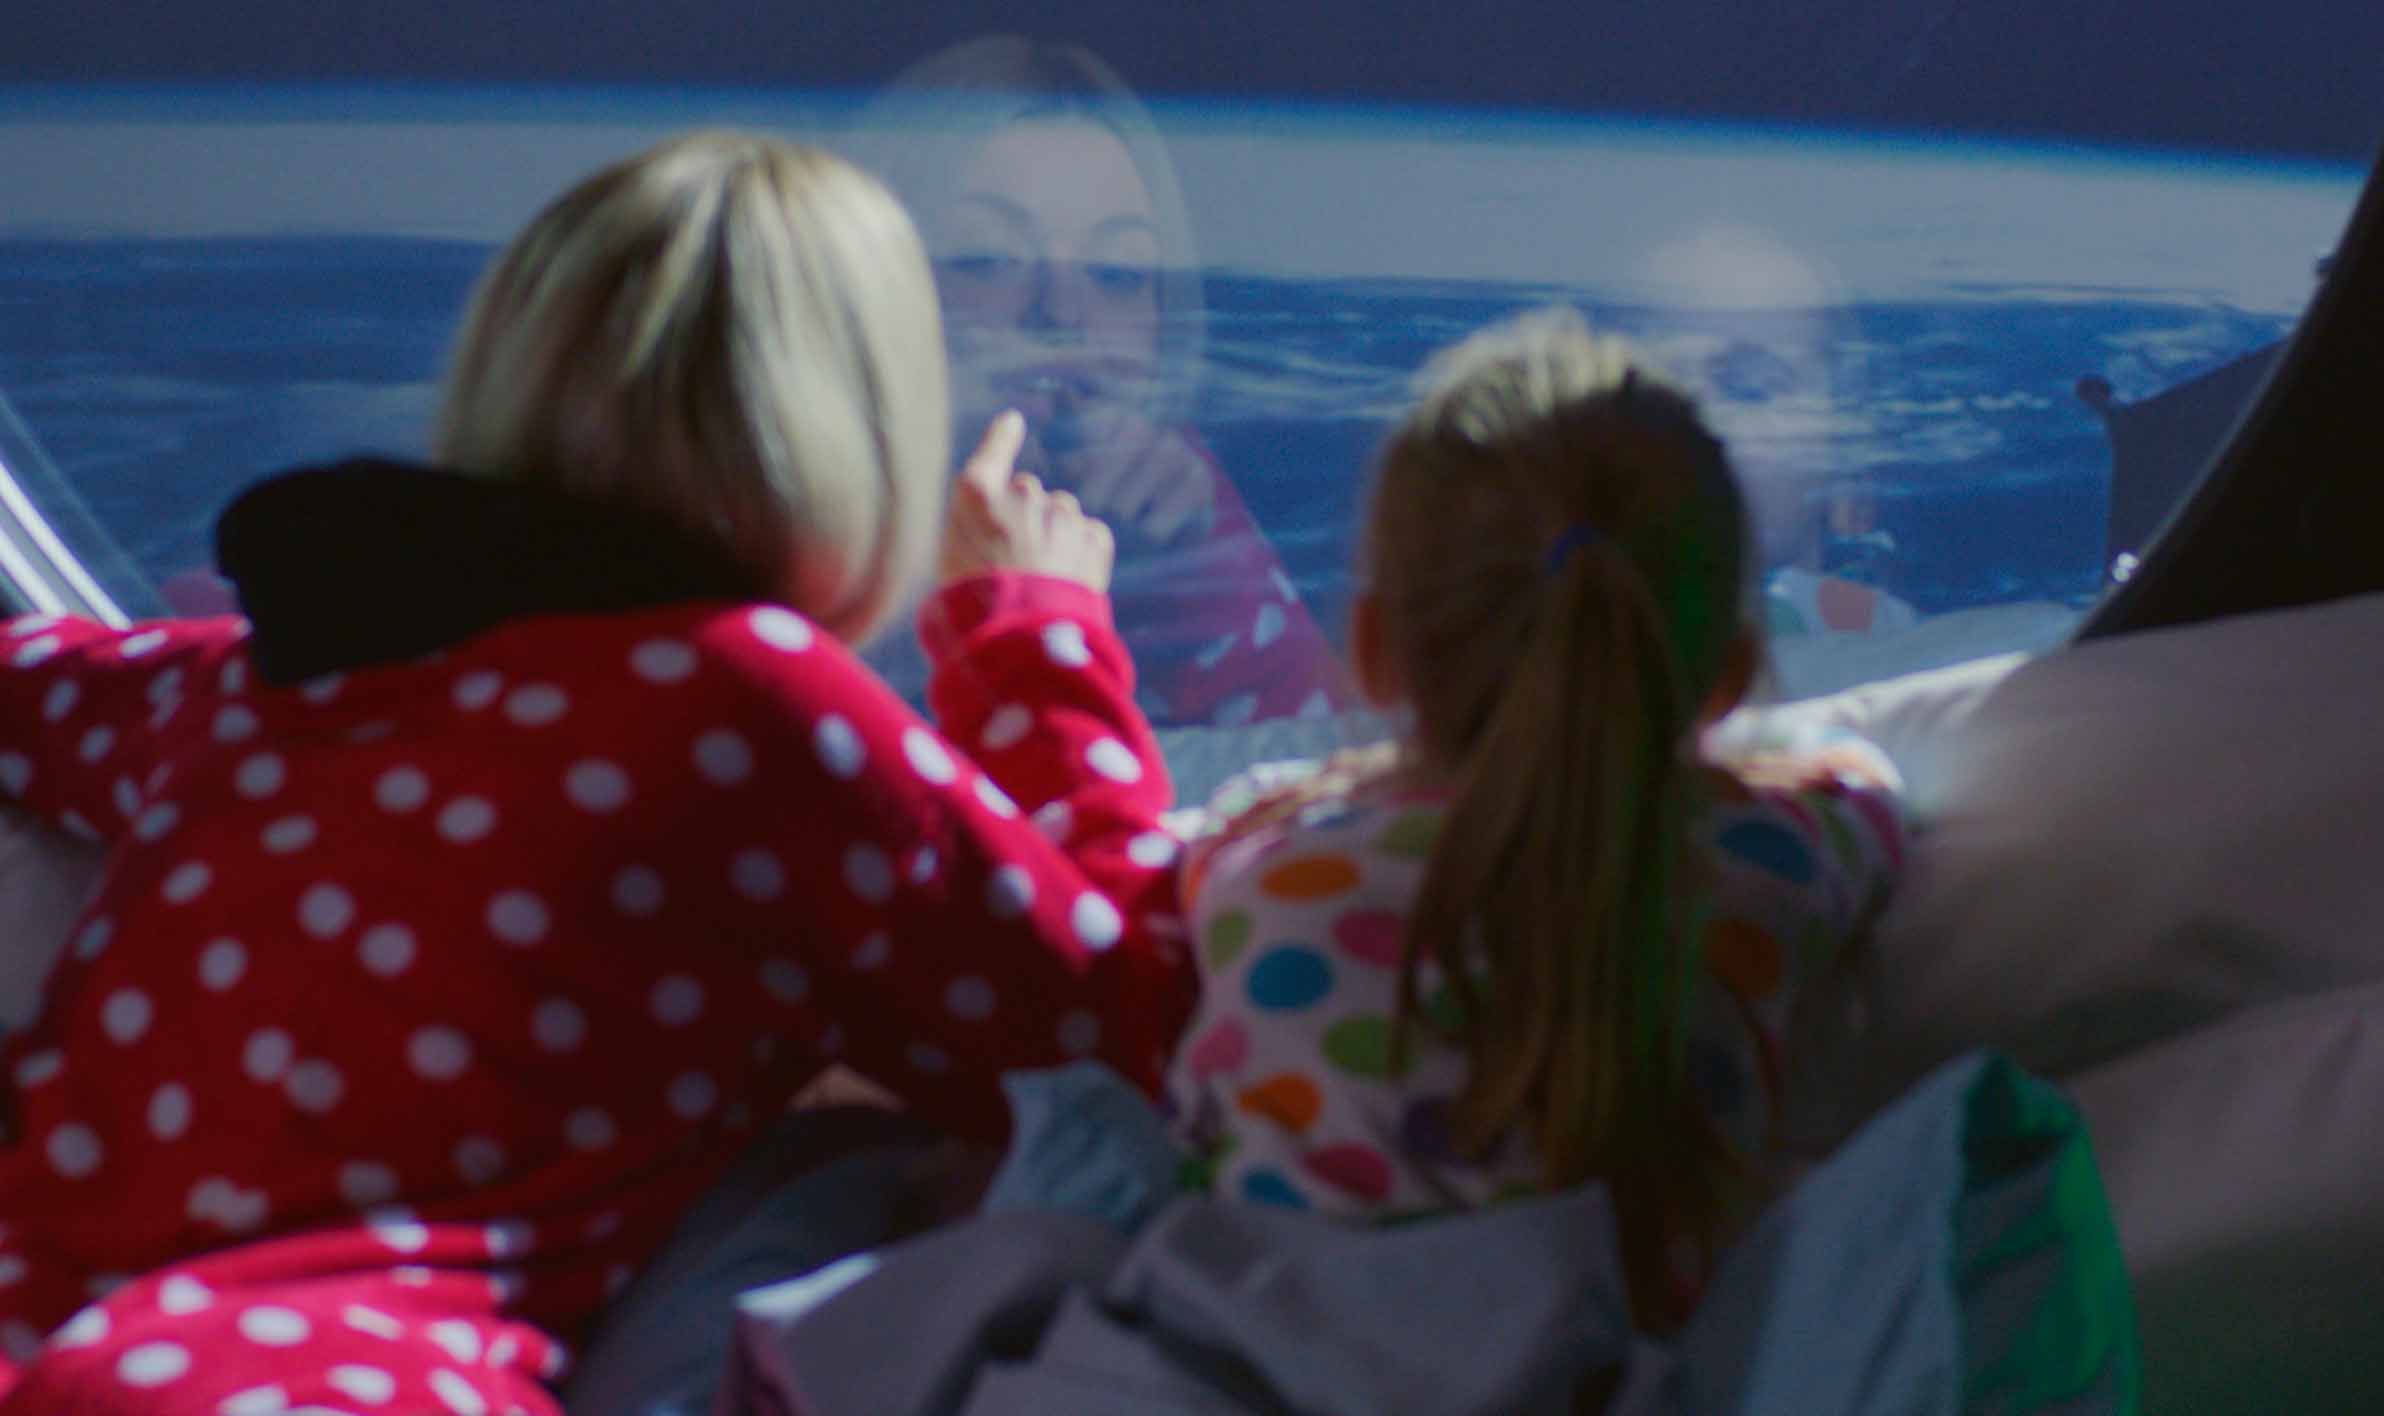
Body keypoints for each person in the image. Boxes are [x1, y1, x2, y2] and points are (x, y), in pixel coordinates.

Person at [0, 132, 1195, 1414]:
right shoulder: (750, 703)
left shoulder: (251, 677)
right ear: (869, 433)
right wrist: (1031, 638)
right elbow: (1140, 1039)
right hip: (319, 1382)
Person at [1165, 310, 1908, 1331]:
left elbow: (1204, 852)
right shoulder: (1767, 858)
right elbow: (1861, 782)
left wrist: (1354, 787)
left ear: (1373, 652)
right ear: (1729, 680)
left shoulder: (1267, 869)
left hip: (1271, 1367)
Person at [847, 36, 1359, 728]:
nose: (1061, 311)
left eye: (1118, 273)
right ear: (878, 286)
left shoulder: (1183, 508)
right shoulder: (804, 531)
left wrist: (1194, 579)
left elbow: (1315, 767)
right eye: (986, 257)